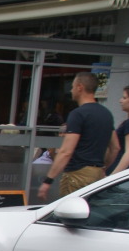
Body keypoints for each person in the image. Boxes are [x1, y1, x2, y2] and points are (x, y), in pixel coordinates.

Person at [37, 72, 114, 200]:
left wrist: (48, 180)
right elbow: (115, 147)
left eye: (72, 87)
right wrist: (103, 167)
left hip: (77, 174)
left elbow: (66, 151)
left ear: (80, 87)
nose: (71, 91)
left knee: (70, 212)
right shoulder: (106, 114)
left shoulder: (78, 114)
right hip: (97, 173)